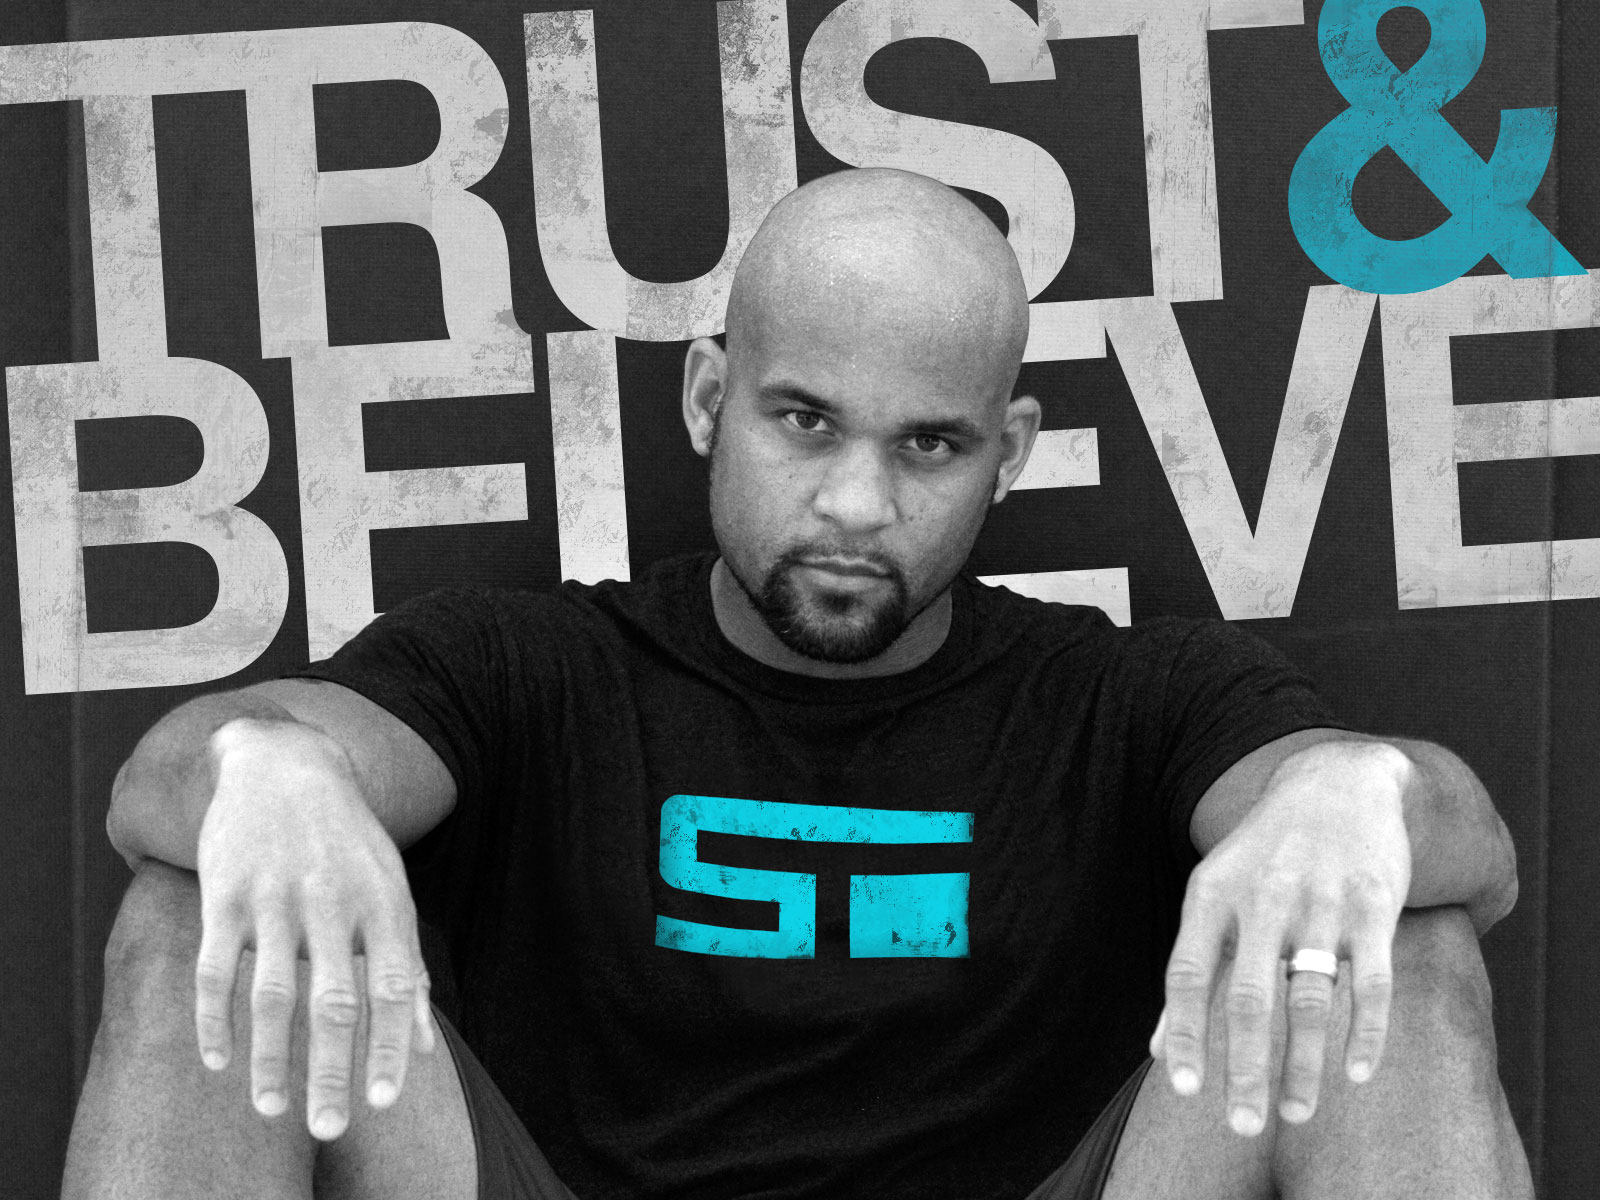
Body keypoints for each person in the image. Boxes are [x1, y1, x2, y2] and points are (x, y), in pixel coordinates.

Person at [63, 168, 1532, 1200]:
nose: (854, 504)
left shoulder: (1120, 696)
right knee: (203, 905)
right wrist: (270, 769)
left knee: (1392, 938)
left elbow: (1470, 842)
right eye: (805, 422)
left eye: (927, 445)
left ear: (1009, 453)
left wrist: (1354, 791)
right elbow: (164, 784)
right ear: (712, 399)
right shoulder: (531, 668)